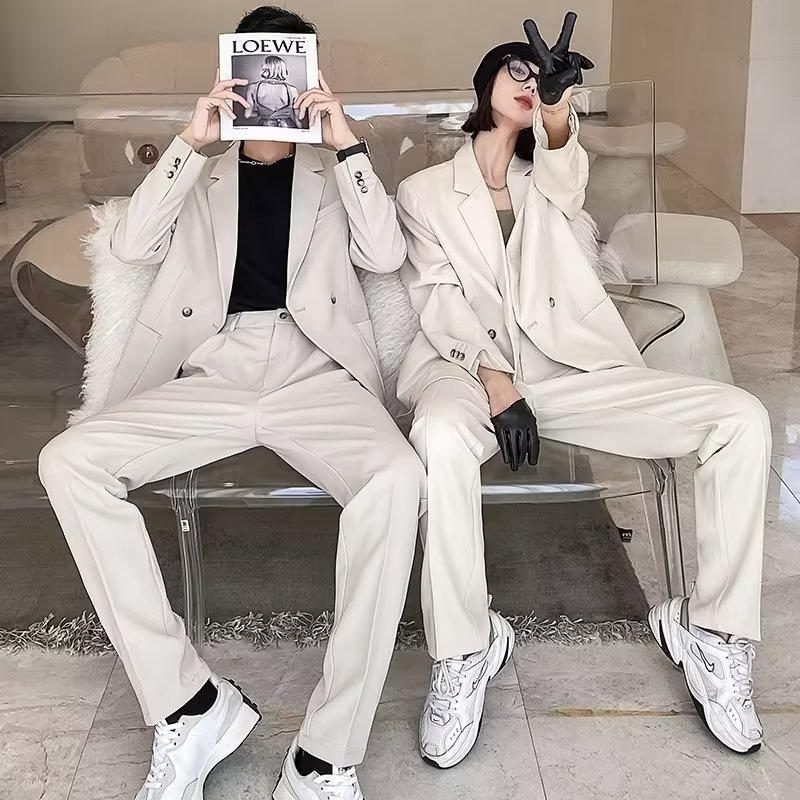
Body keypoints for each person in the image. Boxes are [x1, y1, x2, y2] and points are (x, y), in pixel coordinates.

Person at [38, 6, 424, 800]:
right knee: (70, 463)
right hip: (214, 369)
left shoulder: (334, 175)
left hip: (317, 373)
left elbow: (386, 254)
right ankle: (189, 705)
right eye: (259, 70)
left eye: (288, 70)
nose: (272, 86)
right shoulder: (200, 173)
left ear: (307, 76)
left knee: (397, 479)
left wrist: (345, 140)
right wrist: (192, 138)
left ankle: (326, 754)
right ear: (237, 74)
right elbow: (130, 246)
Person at [395, 11, 770, 768]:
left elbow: (567, 176)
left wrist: (559, 112)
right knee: (437, 436)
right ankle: (465, 649)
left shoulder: (551, 177)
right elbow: (436, 297)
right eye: (517, 69)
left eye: (543, 76)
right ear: (482, 85)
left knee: (740, 418)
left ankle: (712, 631)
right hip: (468, 374)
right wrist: (495, 380)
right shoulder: (423, 192)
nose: (531, 81)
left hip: (571, 373)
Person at [243, 55, 302, 128]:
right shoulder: (292, 90)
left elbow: (248, 115)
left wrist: (262, 113)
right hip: (287, 127)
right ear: (282, 69)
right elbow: (298, 118)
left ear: (264, 68)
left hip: (265, 127)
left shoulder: (253, 87)